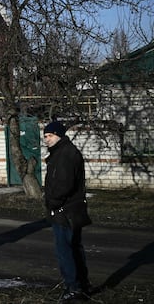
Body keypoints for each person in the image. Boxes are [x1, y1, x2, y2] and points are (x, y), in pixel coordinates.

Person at [43, 119, 91, 302]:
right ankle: (82, 285)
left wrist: (53, 203)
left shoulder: (65, 154)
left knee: (65, 251)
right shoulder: (62, 152)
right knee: (74, 248)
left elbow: (64, 184)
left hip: (65, 210)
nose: (46, 139)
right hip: (70, 209)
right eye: (45, 136)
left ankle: (74, 288)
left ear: (59, 135)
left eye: (50, 135)